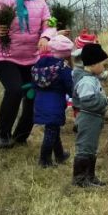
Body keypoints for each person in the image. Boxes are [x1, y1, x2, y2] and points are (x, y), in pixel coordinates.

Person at [0, 0, 57, 149]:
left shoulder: (40, 3)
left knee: (33, 95)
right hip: (3, 57)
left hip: (30, 58)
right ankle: (2, 136)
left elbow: (50, 24)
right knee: (14, 91)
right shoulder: (1, 0)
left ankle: (21, 136)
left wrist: (46, 36)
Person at [71, 43, 108, 187]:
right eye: (101, 64)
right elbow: (88, 102)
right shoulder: (86, 81)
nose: (103, 67)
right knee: (85, 147)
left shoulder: (92, 78)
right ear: (93, 64)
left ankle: (90, 176)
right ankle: (80, 179)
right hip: (87, 118)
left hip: (94, 119)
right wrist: (107, 100)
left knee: (91, 148)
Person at [31, 34, 74, 168]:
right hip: (55, 104)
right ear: (66, 53)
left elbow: (34, 81)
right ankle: (44, 160)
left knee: (53, 129)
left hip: (40, 102)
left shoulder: (39, 63)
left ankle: (60, 155)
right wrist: (74, 95)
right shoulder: (64, 68)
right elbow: (69, 85)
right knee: (51, 132)